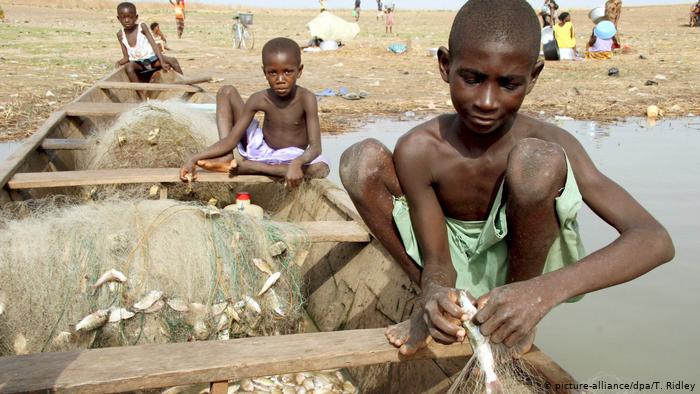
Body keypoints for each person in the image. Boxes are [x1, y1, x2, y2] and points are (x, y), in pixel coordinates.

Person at [339, 0, 674, 357]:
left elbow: (654, 239)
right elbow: (437, 259)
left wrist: (540, 292)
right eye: (472, 78)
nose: (486, 101)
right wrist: (435, 288)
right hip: (441, 255)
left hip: (526, 267)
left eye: (508, 84)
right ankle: (433, 305)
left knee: (537, 162)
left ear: (533, 78)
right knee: (360, 162)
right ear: (445, 65)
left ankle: (513, 318)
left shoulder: (552, 142)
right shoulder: (420, 149)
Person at [179, 38, 330, 188]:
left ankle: (251, 168)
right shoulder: (259, 98)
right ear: (264, 72)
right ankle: (226, 158)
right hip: (261, 151)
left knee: (321, 168)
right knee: (226, 91)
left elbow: (316, 147)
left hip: (292, 158)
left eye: (288, 72)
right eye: (272, 73)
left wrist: (297, 163)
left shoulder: (306, 98)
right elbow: (231, 140)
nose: (280, 79)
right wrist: (193, 158)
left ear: (299, 71)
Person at [114, 2, 182, 98]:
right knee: (129, 67)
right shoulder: (120, 34)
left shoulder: (142, 27)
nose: (127, 20)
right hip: (139, 65)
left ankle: (183, 86)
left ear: (136, 17)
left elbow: (154, 45)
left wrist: (162, 62)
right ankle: (141, 94)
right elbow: (126, 57)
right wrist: (119, 62)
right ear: (118, 18)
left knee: (173, 61)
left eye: (130, 17)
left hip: (154, 60)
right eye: (123, 17)